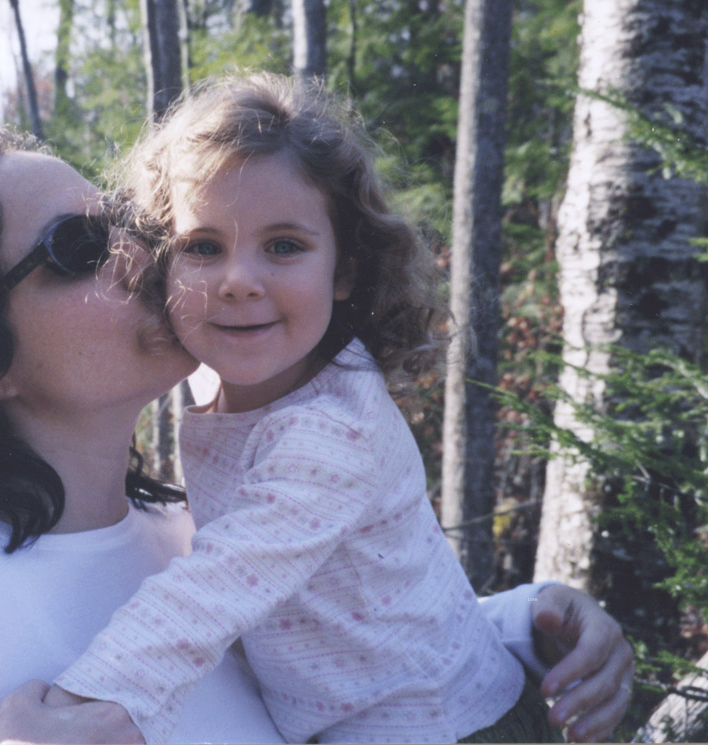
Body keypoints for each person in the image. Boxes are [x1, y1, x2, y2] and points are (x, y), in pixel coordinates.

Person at [0, 125, 633, 745]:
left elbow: (339, 649)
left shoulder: (187, 529)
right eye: (77, 245)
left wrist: (523, 625)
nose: (142, 255)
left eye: (124, 221)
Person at [45, 73, 567, 744]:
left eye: (284, 246)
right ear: (162, 263)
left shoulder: (331, 429)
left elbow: (220, 583)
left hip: (443, 726)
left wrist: (85, 700)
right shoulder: (218, 389)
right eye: (202, 246)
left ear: (343, 269)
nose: (238, 281)